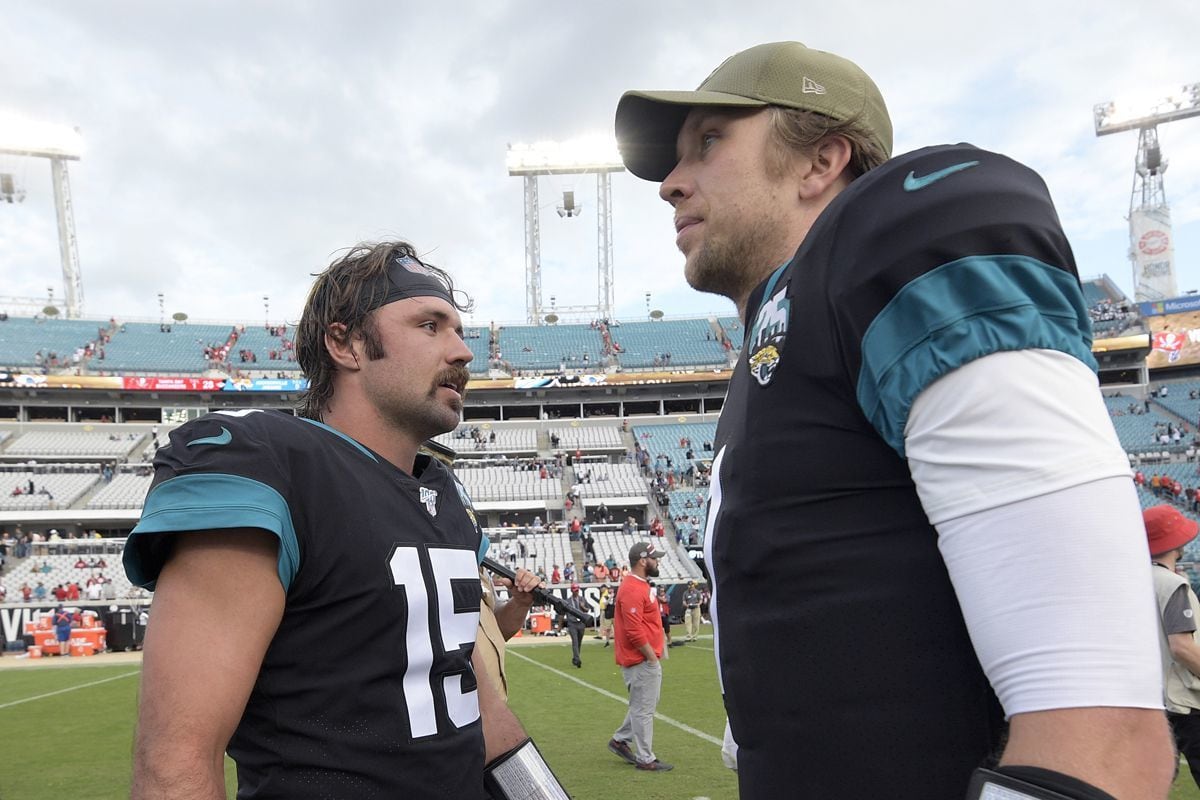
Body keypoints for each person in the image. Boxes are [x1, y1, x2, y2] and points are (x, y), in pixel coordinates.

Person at [614, 41, 1170, 799]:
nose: (671, 183)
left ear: (821, 161)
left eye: (709, 141)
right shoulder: (772, 355)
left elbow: (1099, 734)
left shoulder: (900, 237)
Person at [123, 241, 567, 799]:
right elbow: (176, 759)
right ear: (346, 343)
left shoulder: (443, 495)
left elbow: (485, 715)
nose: (462, 352)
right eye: (430, 326)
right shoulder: (271, 464)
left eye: (459, 331)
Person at [1145, 504, 1200, 788]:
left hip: (1151, 698)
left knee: (1150, 783)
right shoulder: (1171, 584)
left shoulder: (1136, 582)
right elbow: (1182, 647)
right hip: (1185, 703)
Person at [608, 541, 672, 772]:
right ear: (643, 560)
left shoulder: (638, 585)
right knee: (643, 709)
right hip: (640, 660)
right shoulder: (633, 588)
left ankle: (619, 740)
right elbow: (633, 630)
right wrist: (651, 657)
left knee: (643, 705)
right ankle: (645, 758)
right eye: (655, 558)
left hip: (644, 659)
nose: (658, 562)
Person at [561, 582, 588, 668]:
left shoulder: (582, 599)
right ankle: (577, 659)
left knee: (579, 642)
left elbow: (587, 610)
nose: (577, 592)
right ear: (571, 591)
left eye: (577, 590)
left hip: (581, 623)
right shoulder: (567, 601)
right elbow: (562, 613)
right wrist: (560, 625)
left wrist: (583, 607)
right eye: (575, 590)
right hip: (572, 623)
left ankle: (575, 658)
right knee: (575, 642)